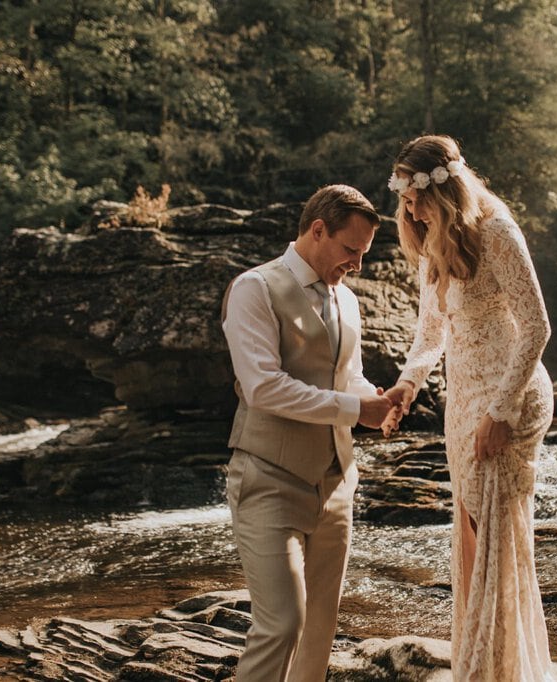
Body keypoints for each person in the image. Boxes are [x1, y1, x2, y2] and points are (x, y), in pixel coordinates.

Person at [382, 135, 555, 681]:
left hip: (510, 394)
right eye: (405, 200)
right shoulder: (433, 239)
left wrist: (501, 412)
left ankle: (494, 669)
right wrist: (407, 387)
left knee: (494, 536)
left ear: (447, 187)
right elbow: (430, 332)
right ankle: (482, 664)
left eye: (417, 198)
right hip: (463, 401)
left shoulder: (497, 229)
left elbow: (536, 326)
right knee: (471, 536)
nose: (410, 211)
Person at [221, 184, 397, 682]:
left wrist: (377, 403)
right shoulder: (254, 288)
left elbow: (348, 377)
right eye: (350, 250)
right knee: (282, 623)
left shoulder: (347, 300)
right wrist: (353, 409)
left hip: (337, 483)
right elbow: (263, 388)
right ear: (317, 230)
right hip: (267, 479)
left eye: (363, 253)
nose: (357, 264)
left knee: (320, 627)